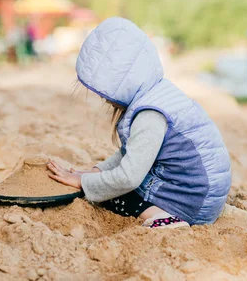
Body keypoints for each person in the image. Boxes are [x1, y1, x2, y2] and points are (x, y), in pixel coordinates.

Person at [47, 17, 232, 229]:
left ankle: (162, 216)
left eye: (105, 92)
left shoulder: (149, 115)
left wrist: (83, 183)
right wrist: (92, 173)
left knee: (113, 195)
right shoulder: (158, 94)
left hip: (192, 201)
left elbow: (128, 178)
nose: (104, 98)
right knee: (107, 182)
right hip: (203, 192)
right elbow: (130, 154)